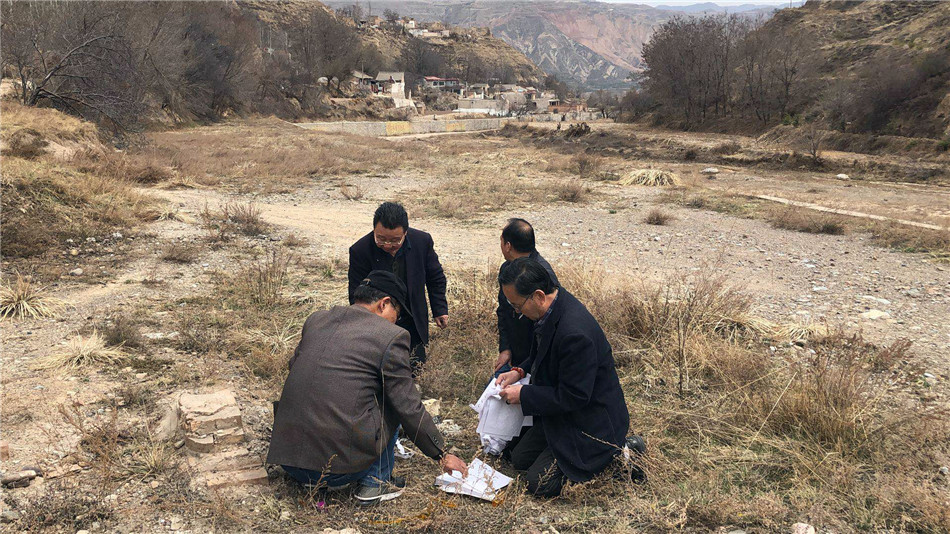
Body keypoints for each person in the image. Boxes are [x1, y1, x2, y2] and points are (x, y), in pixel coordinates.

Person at [267, 270, 466, 505]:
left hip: (289, 462)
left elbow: (295, 367)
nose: (396, 320)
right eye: (397, 313)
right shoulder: (390, 336)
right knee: (392, 398)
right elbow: (408, 405)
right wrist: (441, 453)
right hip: (338, 471)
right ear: (384, 304)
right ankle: (376, 482)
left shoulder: (317, 319)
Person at [495, 257, 630, 497]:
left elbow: (574, 396)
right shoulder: (552, 307)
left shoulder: (574, 333)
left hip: (590, 421)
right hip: (564, 415)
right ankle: (557, 447)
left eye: (517, 306)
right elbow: (542, 352)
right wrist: (519, 372)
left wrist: (523, 394)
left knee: (539, 483)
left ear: (538, 295)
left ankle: (621, 452)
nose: (517, 312)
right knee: (518, 458)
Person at [348, 202, 448, 374]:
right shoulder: (360, 250)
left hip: (412, 315)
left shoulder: (422, 242)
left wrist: (439, 309)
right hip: (378, 321)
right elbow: (355, 294)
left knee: (416, 367)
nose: (387, 245)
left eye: (395, 240)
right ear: (374, 230)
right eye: (381, 239)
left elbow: (435, 277)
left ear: (405, 233)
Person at [494, 219, 559, 375]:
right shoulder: (508, 269)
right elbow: (503, 310)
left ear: (507, 245)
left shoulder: (543, 275)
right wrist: (505, 348)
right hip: (515, 355)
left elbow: (550, 325)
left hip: (536, 361)